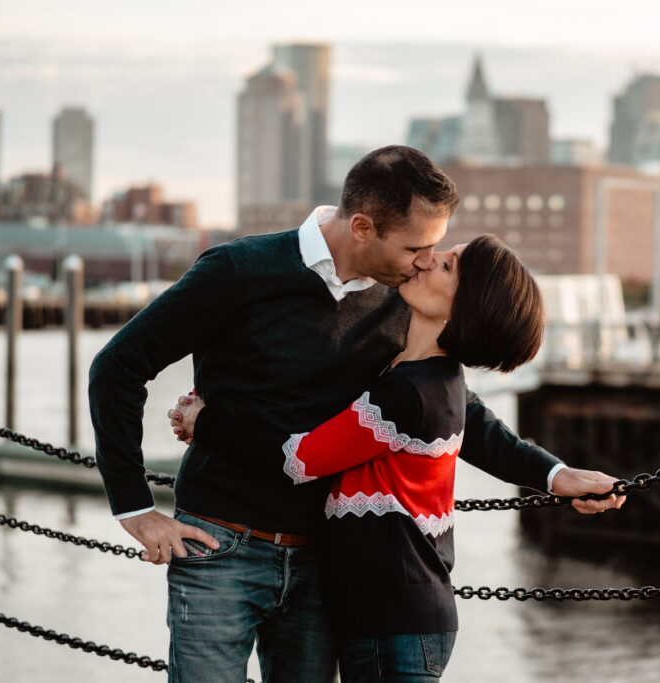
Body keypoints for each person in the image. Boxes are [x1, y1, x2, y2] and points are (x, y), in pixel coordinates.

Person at [88, 145, 624, 683]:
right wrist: (135, 508)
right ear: (363, 228)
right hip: (219, 545)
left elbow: (457, 411)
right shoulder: (238, 270)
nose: (425, 261)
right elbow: (118, 367)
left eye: (435, 248)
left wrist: (552, 474)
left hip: (326, 565)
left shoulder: (405, 299)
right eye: (416, 247)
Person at [172, 234, 576, 681]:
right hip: (393, 617)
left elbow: (299, 460)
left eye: (448, 266)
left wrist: (206, 424)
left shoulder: (409, 391)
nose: (430, 258)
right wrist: (555, 475)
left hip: (394, 623)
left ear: (464, 310)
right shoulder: (428, 374)